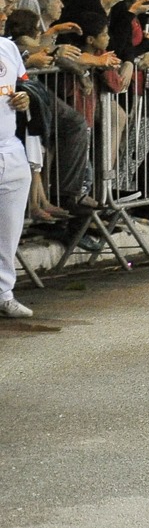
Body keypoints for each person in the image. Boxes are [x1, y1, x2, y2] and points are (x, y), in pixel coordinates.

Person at [0, 33, 35, 319]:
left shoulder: (7, 47)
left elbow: (21, 86)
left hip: (10, 148)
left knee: (9, 231)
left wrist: (24, 99)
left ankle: (4, 294)